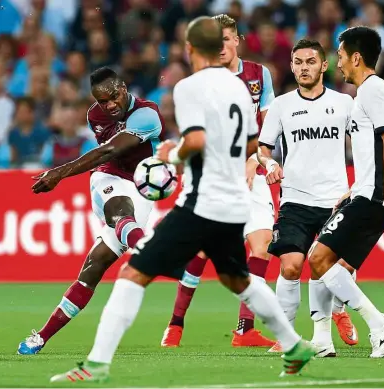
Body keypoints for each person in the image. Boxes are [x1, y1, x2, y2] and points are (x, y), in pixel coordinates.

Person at [49, 16, 316, 383]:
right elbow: (253, 143)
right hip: (236, 197)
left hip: (203, 200)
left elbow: (195, 142)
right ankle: (294, 344)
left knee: (132, 273)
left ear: (191, 49)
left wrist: (170, 156)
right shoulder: (242, 89)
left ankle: (95, 364)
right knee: (238, 278)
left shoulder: (190, 88)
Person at [17, 67, 164, 354]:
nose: (108, 106)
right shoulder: (94, 116)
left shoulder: (147, 114)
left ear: (123, 88)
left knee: (94, 267)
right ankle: (149, 251)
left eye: (112, 97)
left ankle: (43, 336)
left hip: (141, 187)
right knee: (120, 211)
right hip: (108, 178)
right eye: (101, 101)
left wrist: (60, 172)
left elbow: (111, 149)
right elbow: (107, 159)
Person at [161, 13, 277, 349]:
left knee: (262, 244)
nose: (222, 46)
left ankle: (245, 329)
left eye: (227, 39)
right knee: (200, 249)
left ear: (237, 40)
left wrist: (256, 160)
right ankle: (176, 324)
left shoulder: (258, 75)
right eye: (216, 41)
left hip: (251, 172)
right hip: (212, 173)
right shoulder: (203, 81)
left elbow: (266, 129)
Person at [301, 26, 384, 358]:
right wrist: (354, 190)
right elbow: (374, 148)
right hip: (367, 191)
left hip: (374, 195)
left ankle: (378, 323)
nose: (338, 63)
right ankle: (322, 339)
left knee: (317, 257)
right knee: (333, 267)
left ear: (357, 57)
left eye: (342, 56)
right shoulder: (369, 93)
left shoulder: (373, 90)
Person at [257, 39, 358, 355]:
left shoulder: (344, 103)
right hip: (296, 200)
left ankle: (337, 312)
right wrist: (270, 162)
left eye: (310, 61)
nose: (304, 67)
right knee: (290, 266)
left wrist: (361, 184)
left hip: (335, 200)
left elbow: (365, 143)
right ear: (291, 65)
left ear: (324, 65)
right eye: (298, 62)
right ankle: (285, 335)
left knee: (336, 267)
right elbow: (263, 149)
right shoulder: (282, 106)